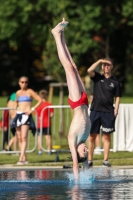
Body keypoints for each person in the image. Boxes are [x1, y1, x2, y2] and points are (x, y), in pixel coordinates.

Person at [51, 18, 91, 180]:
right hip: (85, 101)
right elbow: (85, 165)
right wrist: (87, 174)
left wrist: (77, 184)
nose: (87, 150)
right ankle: (62, 34)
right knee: (73, 66)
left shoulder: (72, 141)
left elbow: (76, 164)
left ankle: (55, 35)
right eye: (86, 152)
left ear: (77, 152)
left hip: (76, 102)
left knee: (68, 68)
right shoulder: (84, 139)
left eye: (84, 152)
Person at [87, 58, 121, 167]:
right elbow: (89, 70)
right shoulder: (97, 77)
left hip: (108, 112)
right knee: (92, 136)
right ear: (102, 67)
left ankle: (105, 160)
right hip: (96, 110)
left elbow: (118, 97)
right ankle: (90, 160)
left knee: (106, 137)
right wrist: (99, 61)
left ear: (112, 67)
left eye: (108, 65)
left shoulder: (115, 82)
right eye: (104, 65)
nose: (106, 66)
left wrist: (116, 110)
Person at [12, 76, 42, 165]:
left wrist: (32, 109)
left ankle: (21, 157)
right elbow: (15, 103)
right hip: (18, 115)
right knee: (20, 137)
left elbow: (40, 100)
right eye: (22, 82)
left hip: (26, 115)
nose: (24, 84)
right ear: (19, 83)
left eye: (25, 82)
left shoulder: (30, 91)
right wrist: (14, 111)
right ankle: (24, 157)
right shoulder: (18, 92)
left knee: (24, 137)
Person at [35, 89, 54, 155]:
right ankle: (49, 150)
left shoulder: (38, 105)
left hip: (39, 123)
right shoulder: (49, 104)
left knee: (39, 137)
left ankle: (39, 150)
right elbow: (51, 115)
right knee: (48, 137)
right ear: (46, 96)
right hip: (47, 123)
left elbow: (36, 115)